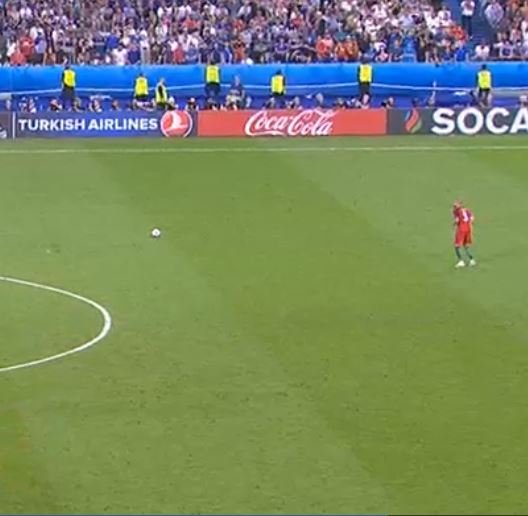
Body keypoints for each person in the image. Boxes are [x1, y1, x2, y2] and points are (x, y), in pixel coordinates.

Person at [453, 201, 476, 268]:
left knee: (457, 246)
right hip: (468, 229)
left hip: (461, 230)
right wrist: (469, 223)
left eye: (455, 206)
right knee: (465, 246)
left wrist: (454, 224)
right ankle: (472, 260)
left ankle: (461, 262)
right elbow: (472, 218)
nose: (454, 207)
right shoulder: (466, 210)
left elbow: (457, 220)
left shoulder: (456, 211)